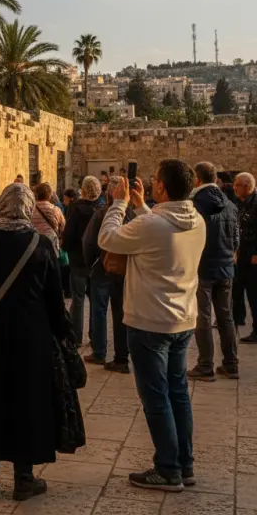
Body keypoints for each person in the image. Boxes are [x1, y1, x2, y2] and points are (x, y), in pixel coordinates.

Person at [0, 184, 68, 503]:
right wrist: (60, 336)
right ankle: (24, 479)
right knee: (27, 403)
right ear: (29, 208)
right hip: (31, 340)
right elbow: (54, 298)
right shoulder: (41, 244)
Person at [98, 162, 206, 492]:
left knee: (156, 397)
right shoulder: (196, 221)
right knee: (178, 394)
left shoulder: (151, 224)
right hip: (183, 318)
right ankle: (184, 465)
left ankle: (168, 469)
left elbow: (108, 239)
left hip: (149, 321)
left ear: (161, 187)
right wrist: (140, 206)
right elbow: (162, 230)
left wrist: (118, 203)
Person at [188, 162, 239, 380]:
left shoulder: (194, 205)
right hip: (226, 266)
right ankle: (231, 364)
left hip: (203, 267)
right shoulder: (230, 204)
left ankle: (205, 365)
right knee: (226, 317)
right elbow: (236, 237)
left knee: (204, 318)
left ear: (197, 179)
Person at [82, 176, 132, 373]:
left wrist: (91, 263)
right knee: (122, 312)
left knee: (99, 309)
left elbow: (89, 241)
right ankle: (123, 355)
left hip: (103, 267)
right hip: (127, 269)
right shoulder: (134, 214)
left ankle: (100, 351)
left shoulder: (103, 213)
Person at [62, 176, 103, 346]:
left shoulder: (76, 209)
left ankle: (76, 337)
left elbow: (69, 234)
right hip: (95, 261)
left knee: (77, 300)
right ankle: (95, 337)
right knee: (95, 300)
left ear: (84, 190)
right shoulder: (101, 210)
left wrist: (66, 247)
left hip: (78, 260)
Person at [234, 172, 257, 343]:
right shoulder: (241, 204)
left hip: (253, 257)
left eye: (238, 185)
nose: (234, 188)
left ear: (247, 186)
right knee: (238, 292)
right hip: (242, 256)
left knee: (254, 296)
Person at [31, 182, 65, 255]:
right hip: (52, 244)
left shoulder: (30, 210)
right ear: (50, 195)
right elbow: (63, 228)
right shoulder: (56, 210)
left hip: (33, 245)